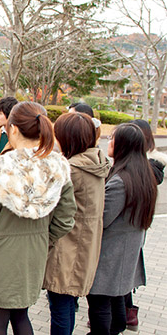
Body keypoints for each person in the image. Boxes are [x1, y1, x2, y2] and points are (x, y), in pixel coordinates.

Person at [0, 102, 77, 335]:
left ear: (13, 129)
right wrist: (42, 239)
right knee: (21, 316)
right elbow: (65, 220)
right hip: (33, 257)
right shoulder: (58, 168)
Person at [87, 123, 157, 335]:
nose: (109, 141)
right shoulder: (142, 175)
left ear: (123, 145)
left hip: (110, 254)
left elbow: (103, 219)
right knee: (116, 302)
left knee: (99, 307)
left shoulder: (120, 181)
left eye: (113, 138)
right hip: (126, 254)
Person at [43, 112, 110, 335]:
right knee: (68, 303)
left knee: (60, 305)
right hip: (85, 246)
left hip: (67, 249)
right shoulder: (97, 163)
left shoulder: (72, 170)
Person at [122, 119, 166, 331]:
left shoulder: (148, 167)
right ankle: (128, 314)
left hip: (129, 228)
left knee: (123, 273)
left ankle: (127, 315)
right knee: (126, 272)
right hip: (137, 226)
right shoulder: (148, 166)